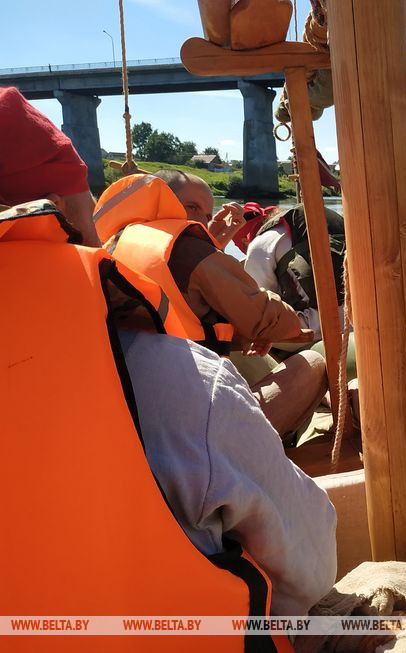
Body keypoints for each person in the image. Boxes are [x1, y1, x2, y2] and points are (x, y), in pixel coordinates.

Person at [0, 87, 336, 638]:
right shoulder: (179, 373)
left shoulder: (128, 239)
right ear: (62, 213)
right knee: (313, 368)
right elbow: (311, 569)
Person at [94, 170, 327, 437]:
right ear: (162, 201)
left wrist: (216, 247)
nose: (200, 221)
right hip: (194, 430)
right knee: (313, 362)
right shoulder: (190, 251)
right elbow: (270, 318)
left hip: (138, 418)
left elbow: (174, 314)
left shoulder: (111, 247)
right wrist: (276, 326)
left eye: (206, 214)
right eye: (191, 207)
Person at [244, 202, 346, 342]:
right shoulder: (331, 220)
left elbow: (261, 307)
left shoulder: (260, 244)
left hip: (315, 330)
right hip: (360, 318)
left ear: (246, 239)